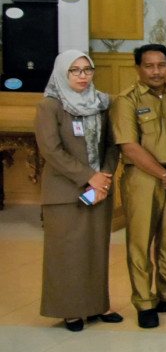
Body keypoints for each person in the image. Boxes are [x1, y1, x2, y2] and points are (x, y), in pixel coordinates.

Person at [111, 44, 166, 329]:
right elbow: (130, 146)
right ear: (138, 68)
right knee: (140, 242)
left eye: (162, 65)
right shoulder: (127, 100)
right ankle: (144, 301)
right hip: (143, 179)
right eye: (149, 66)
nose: (157, 71)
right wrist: (164, 174)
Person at [34, 50, 121, 331]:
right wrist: (89, 177)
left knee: (96, 250)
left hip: (100, 190)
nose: (83, 76)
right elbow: (51, 150)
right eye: (75, 71)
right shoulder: (50, 106)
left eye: (87, 70)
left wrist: (104, 178)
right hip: (65, 193)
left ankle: (96, 305)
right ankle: (70, 309)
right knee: (68, 253)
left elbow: (111, 145)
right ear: (62, 73)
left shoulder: (102, 103)